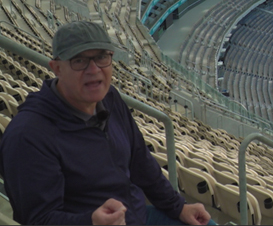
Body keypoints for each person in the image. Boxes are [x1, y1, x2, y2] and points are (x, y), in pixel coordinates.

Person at [0, 21, 213, 225]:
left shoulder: (109, 97)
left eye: (102, 57)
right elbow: (38, 220)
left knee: (206, 224)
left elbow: (140, 160)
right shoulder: (28, 135)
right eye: (79, 61)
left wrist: (178, 207)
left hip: (136, 216)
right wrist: (90, 222)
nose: (93, 70)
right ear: (56, 68)